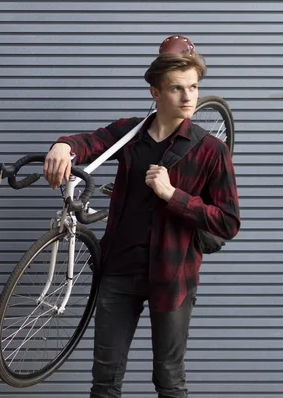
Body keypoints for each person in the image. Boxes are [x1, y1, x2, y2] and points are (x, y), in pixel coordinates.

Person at [43, 35, 241, 397]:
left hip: (173, 276)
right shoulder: (130, 134)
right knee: (105, 381)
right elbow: (92, 141)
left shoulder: (211, 150)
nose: (188, 98)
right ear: (155, 92)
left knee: (169, 381)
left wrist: (173, 196)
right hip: (118, 273)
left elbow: (228, 222)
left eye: (194, 87)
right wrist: (64, 145)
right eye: (177, 89)